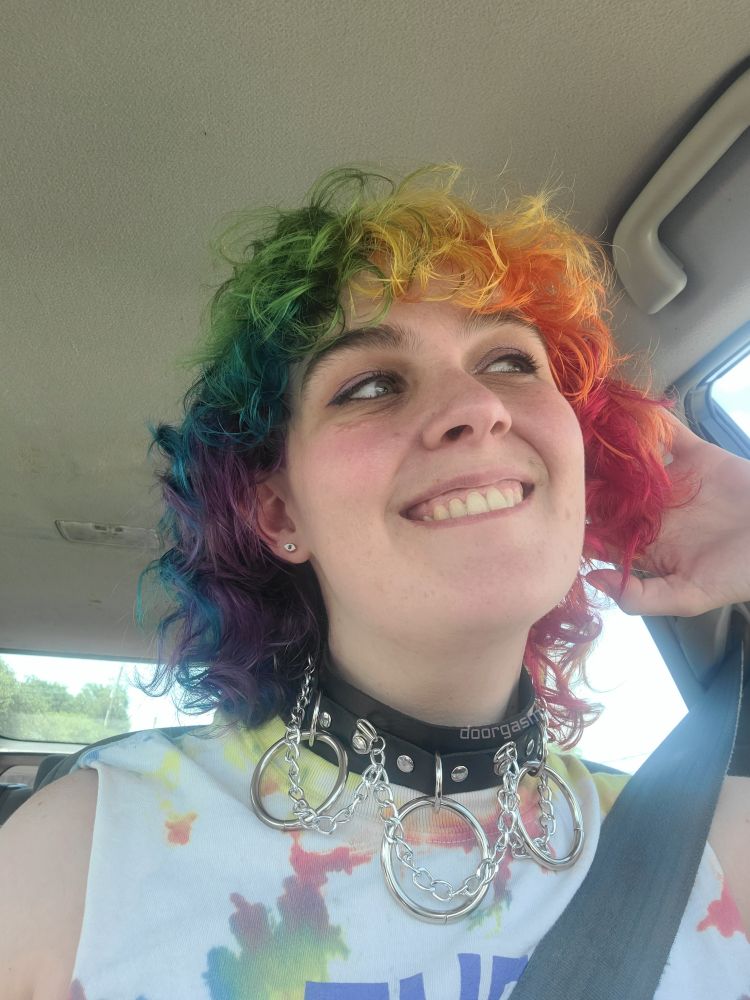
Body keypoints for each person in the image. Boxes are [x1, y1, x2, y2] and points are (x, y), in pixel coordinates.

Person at [5, 164, 750, 999]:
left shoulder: (715, 848)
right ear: (281, 514)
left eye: (510, 362)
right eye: (370, 385)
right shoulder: (83, 853)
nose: (479, 407)